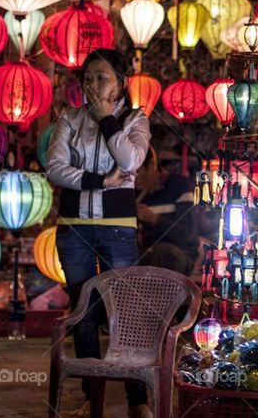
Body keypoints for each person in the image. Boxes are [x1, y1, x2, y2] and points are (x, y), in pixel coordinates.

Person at [46, 48, 152, 418]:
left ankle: (137, 400)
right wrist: (100, 181)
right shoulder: (70, 119)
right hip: (73, 228)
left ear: (121, 82)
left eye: (102, 77)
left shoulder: (135, 119)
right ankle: (93, 395)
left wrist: (108, 119)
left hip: (118, 229)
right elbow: (55, 169)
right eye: (88, 77)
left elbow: (130, 161)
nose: (93, 84)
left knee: (125, 312)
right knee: (82, 311)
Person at [136, 148, 199, 276]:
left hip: (181, 253)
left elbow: (186, 233)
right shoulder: (136, 194)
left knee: (164, 252)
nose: (133, 177)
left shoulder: (180, 186)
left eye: (137, 171)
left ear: (152, 165)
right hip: (150, 252)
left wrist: (155, 219)